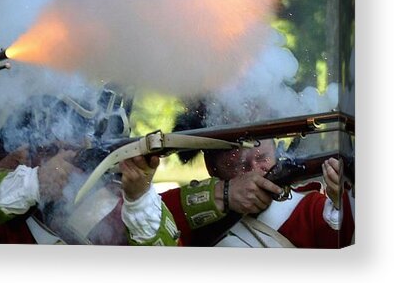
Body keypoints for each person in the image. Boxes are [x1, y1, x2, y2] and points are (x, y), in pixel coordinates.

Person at [0, 87, 183, 245]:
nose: (64, 145)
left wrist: (138, 200)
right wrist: (34, 185)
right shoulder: (0, 197)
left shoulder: (110, 204)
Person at [127, 103, 355, 248]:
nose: (253, 164)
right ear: (211, 166)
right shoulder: (191, 221)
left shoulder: (311, 209)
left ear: (274, 147)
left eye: (260, 152)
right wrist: (222, 196)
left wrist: (341, 198)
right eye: (240, 162)